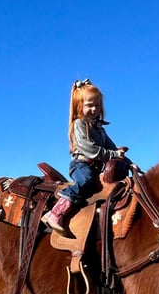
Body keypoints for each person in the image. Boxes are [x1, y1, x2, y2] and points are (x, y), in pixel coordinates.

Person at [42, 78, 129, 235]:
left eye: (97, 105)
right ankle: (56, 213)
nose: (94, 109)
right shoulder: (79, 124)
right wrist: (114, 154)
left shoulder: (100, 129)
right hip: (81, 165)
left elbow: (113, 148)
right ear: (78, 106)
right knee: (86, 181)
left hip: (95, 168)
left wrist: (129, 163)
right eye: (90, 105)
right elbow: (90, 149)